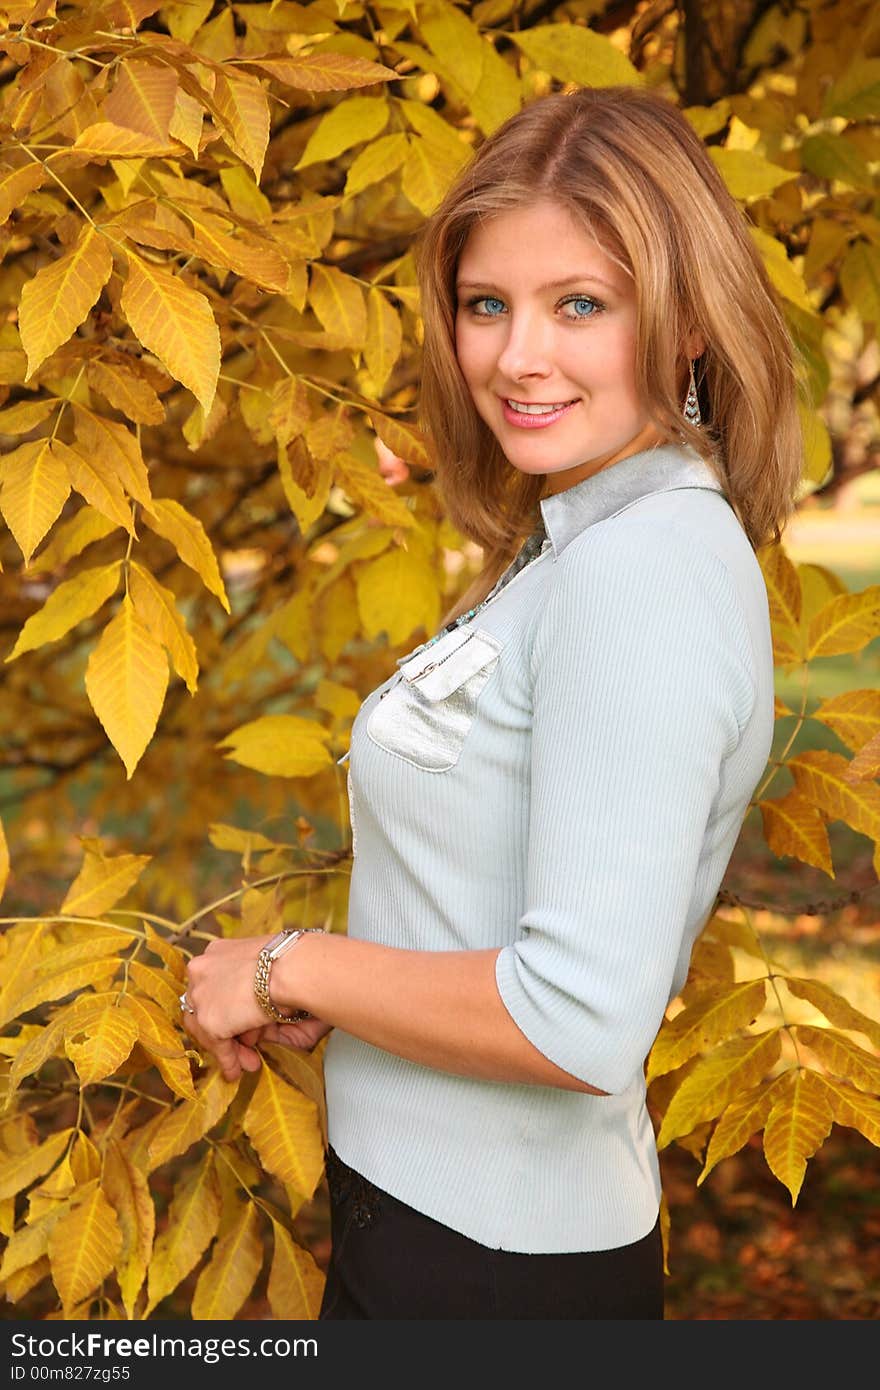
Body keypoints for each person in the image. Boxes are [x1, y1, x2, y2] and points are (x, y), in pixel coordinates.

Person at [180, 84, 803, 1319]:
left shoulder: (640, 571)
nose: (518, 357)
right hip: (431, 1229)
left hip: (489, 1273)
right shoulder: (583, 533)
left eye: (580, 305)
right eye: (485, 305)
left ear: (685, 325)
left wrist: (286, 966)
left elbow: (576, 1021)